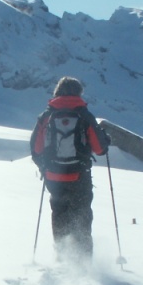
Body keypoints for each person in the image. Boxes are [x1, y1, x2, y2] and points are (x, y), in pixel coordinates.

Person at [30, 77, 110, 260]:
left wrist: (45, 167)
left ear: (57, 92)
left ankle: (62, 257)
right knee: (81, 215)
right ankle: (83, 263)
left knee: (59, 214)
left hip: (54, 178)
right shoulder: (84, 115)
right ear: (79, 92)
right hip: (79, 176)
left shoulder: (46, 116)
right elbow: (100, 149)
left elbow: (36, 150)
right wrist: (105, 140)